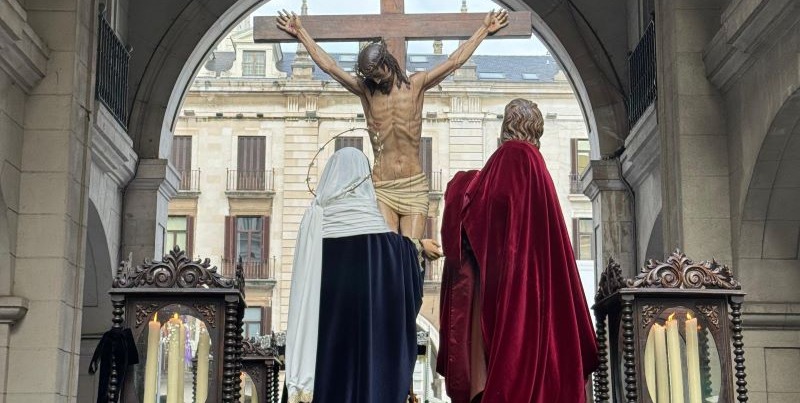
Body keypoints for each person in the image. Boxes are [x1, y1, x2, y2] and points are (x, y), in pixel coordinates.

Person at [276, 9, 509, 238]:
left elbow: (454, 61)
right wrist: (301, 33)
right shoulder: (366, 91)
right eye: (372, 76)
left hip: (414, 184)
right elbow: (331, 67)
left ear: (388, 62)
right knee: (389, 251)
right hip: (383, 187)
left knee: (410, 251)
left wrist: (484, 30)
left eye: (379, 72)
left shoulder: (416, 84)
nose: (376, 79)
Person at [437, 99, 599, 403]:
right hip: (531, 281)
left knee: (503, 354)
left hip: (503, 280)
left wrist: (461, 187)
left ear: (505, 127)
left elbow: (478, 212)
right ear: (536, 129)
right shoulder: (533, 163)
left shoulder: (507, 158)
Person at [284, 148, 438, 403]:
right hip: (369, 362)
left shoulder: (315, 227)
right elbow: (401, 258)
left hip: (322, 357)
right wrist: (418, 247)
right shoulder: (384, 242)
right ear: (365, 179)